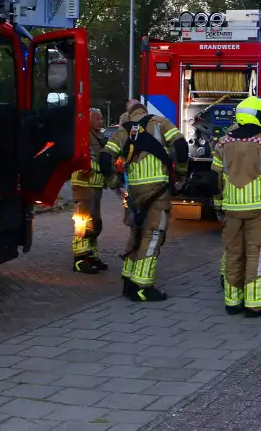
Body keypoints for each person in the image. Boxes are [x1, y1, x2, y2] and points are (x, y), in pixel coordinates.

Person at [100, 99, 189, 302]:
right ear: (143, 109)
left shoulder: (123, 130)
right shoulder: (160, 122)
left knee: (136, 233)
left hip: (134, 192)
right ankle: (142, 286)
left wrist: (114, 182)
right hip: (158, 189)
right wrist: (182, 174)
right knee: (153, 234)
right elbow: (181, 146)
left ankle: (128, 280)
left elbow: (105, 157)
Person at [213, 96, 261, 317]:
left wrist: (218, 204)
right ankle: (255, 305)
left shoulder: (223, 143)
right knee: (256, 255)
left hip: (231, 209)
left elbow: (214, 178)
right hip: (260, 210)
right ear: (259, 118)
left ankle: (232, 301)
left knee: (233, 254)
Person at [70, 108, 108, 274]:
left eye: (101, 118)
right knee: (82, 222)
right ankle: (80, 259)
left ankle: (91, 255)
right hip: (83, 184)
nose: (102, 121)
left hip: (96, 186)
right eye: (98, 118)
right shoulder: (83, 137)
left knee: (95, 223)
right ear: (89, 121)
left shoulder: (100, 137)